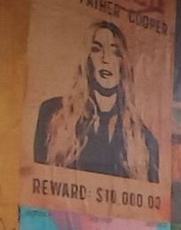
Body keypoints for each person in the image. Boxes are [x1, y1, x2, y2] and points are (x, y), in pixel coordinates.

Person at [33, 21, 159, 182]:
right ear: (86, 59)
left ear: (123, 63)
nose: (106, 59)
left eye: (116, 52)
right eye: (96, 49)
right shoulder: (53, 113)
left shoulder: (145, 139)